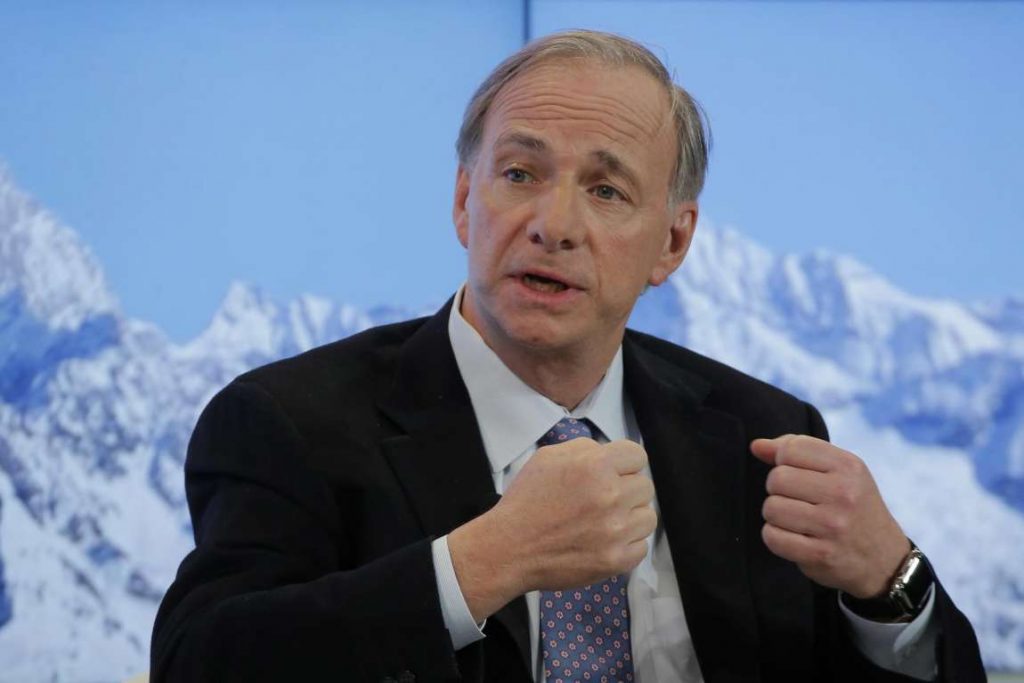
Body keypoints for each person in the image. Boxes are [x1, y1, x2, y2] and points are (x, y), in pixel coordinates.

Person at [151, 30, 984, 682]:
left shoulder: (757, 434)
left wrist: (891, 584)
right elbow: (199, 662)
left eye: (605, 190)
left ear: (672, 243)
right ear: (464, 200)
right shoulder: (288, 424)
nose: (553, 225)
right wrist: (483, 562)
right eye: (520, 173)